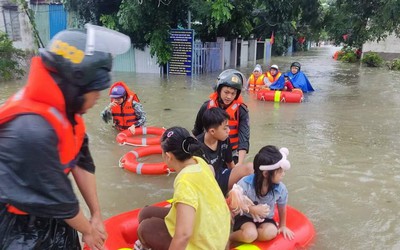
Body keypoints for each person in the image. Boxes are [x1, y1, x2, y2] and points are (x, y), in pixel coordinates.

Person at [0, 24, 130, 249]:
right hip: (20, 229)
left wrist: (96, 215)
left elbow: (82, 161)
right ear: (75, 85)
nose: (99, 97)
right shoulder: (32, 131)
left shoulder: (68, 115)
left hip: (57, 217)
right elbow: (59, 198)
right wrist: (88, 230)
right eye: (95, 90)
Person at [135, 126, 231, 250]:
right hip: (217, 234)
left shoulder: (184, 181)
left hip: (205, 245)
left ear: (168, 156)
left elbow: (184, 235)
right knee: (145, 213)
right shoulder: (199, 162)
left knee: (145, 228)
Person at [229, 145, 295, 244]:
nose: (283, 174)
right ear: (266, 174)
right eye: (280, 171)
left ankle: (252, 236)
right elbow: (234, 202)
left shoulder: (280, 189)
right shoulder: (245, 183)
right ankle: (230, 238)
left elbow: (282, 207)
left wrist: (282, 226)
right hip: (245, 216)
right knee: (250, 234)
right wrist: (252, 209)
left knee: (271, 232)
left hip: (266, 218)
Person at [193, 69, 250, 166]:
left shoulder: (241, 111)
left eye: (233, 93)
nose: (229, 96)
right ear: (219, 90)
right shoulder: (206, 107)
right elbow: (197, 131)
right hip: (209, 152)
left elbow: (244, 139)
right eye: (226, 92)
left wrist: (239, 164)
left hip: (232, 152)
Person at [197, 107, 253, 196]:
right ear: (212, 131)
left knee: (251, 168)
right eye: (225, 128)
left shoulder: (225, 140)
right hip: (206, 185)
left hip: (221, 176)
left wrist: (237, 181)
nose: (229, 131)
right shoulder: (196, 147)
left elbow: (230, 164)